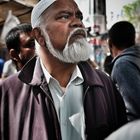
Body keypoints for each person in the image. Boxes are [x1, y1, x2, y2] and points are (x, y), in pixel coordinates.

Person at [0, 1, 127, 140]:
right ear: (39, 35)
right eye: (64, 16)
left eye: (79, 17)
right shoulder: (8, 92)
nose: (78, 23)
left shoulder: (105, 85)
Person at [108, 21, 140, 121]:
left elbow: (136, 107)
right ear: (133, 40)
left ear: (110, 43)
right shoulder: (135, 58)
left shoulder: (122, 65)